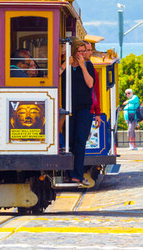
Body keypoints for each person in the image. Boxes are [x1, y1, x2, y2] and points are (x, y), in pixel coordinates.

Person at [60, 38, 98, 185]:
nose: (82, 54)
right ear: (73, 51)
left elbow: (90, 84)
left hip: (84, 108)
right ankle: (70, 173)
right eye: (79, 51)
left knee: (80, 141)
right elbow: (54, 76)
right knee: (69, 141)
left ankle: (78, 174)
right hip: (68, 109)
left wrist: (82, 66)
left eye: (84, 51)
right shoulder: (67, 65)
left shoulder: (88, 65)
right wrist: (65, 64)